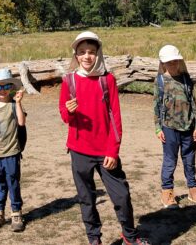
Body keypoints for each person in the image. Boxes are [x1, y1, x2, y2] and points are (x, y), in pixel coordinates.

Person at [59, 31, 151, 245]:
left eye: (91, 52)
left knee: (121, 196)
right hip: (79, 151)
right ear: (76, 55)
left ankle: (130, 236)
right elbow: (65, 116)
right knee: (87, 198)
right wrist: (69, 111)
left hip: (105, 153)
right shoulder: (69, 81)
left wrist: (113, 150)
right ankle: (94, 239)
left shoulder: (107, 79)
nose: (87, 56)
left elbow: (116, 119)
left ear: (98, 53)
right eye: (82, 52)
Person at [154, 44, 196, 208]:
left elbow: (193, 103)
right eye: (168, 62)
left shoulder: (186, 79)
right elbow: (156, 106)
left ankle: (193, 190)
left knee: (189, 160)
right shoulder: (160, 81)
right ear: (163, 63)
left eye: (175, 61)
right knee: (170, 161)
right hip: (169, 128)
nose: (172, 64)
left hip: (188, 128)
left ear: (179, 61)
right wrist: (158, 128)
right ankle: (167, 192)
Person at [0, 67, 26, 232]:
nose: (2, 90)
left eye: (6, 86)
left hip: (11, 153)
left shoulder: (14, 106)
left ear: (12, 88)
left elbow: (21, 123)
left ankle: (16, 214)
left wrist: (19, 103)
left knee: (13, 183)